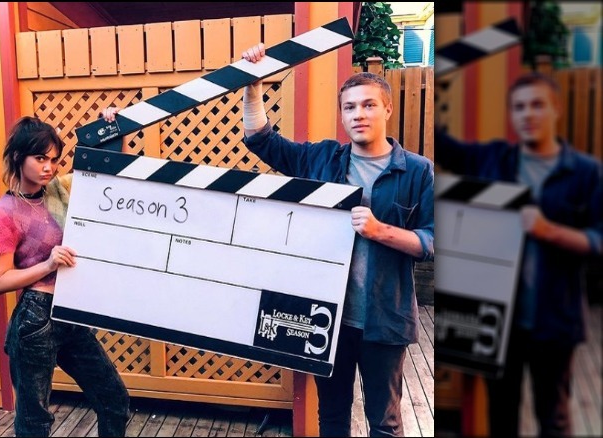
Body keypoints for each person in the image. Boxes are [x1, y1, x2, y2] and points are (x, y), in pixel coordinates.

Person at [239, 43, 434, 437]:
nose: (359, 114)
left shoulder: (417, 170)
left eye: (368, 105)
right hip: (327, 317)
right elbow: (261, 140)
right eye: (350, 107)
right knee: (331, 417)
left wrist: (381, 231)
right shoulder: (321, 160)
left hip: (386, 319)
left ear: (387, 110)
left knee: (385, 422)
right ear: (342, 114)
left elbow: (431, 241)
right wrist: (252, 84)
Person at [436, 72, 602, 437]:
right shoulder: (494, 160)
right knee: (501, 414)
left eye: (538, 105)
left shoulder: (586, 173)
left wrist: (550, 231)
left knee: (554, 416)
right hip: (497, 320)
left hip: (555, 319)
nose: (529, 114)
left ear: (556, 109)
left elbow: (598, 239)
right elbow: (442, 145)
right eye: (520, 107)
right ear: (512, 115)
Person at [0, 116, 130, 437]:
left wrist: (113, 125)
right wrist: (48, 265)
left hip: (71, 313)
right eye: (40, 158)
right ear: (17, 157)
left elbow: (104, 169)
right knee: (35, 421)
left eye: (54, 159)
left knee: (114, 400)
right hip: (35, 321)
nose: (48, 167)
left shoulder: (60, 189)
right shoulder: (4, 212)